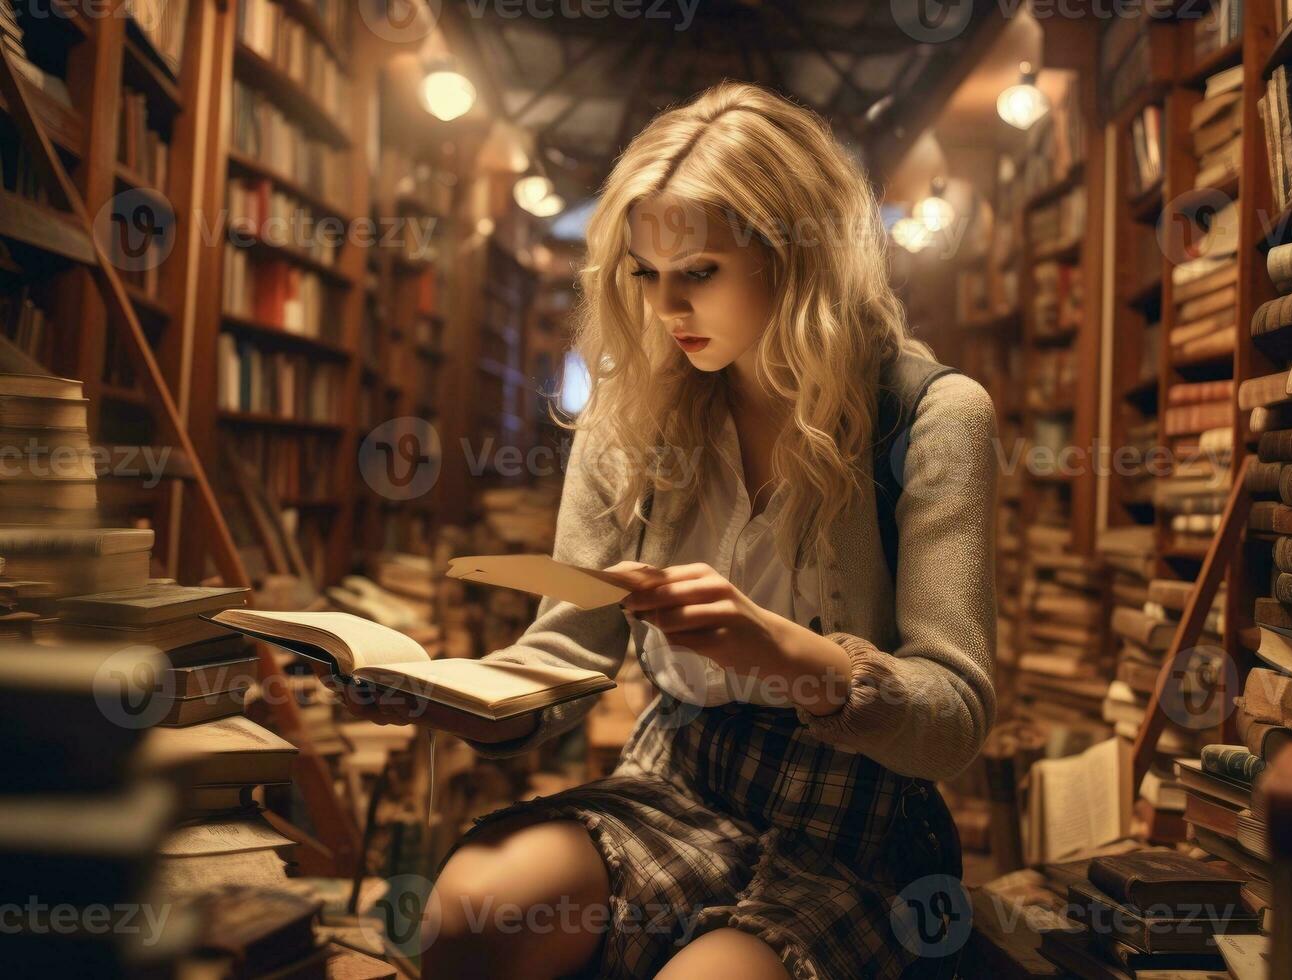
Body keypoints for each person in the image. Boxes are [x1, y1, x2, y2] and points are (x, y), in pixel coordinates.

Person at [332, 81, 998, 979]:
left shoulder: (933, 416)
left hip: (858, 816)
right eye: (644, 274)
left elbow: (954, 724)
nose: (664, 309)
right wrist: (453, 701)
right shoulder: (631, 412)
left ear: (796, 259)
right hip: (678, 771)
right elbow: (565, 652)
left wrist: (791, 654)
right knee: (471, 912)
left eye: (700, 273)